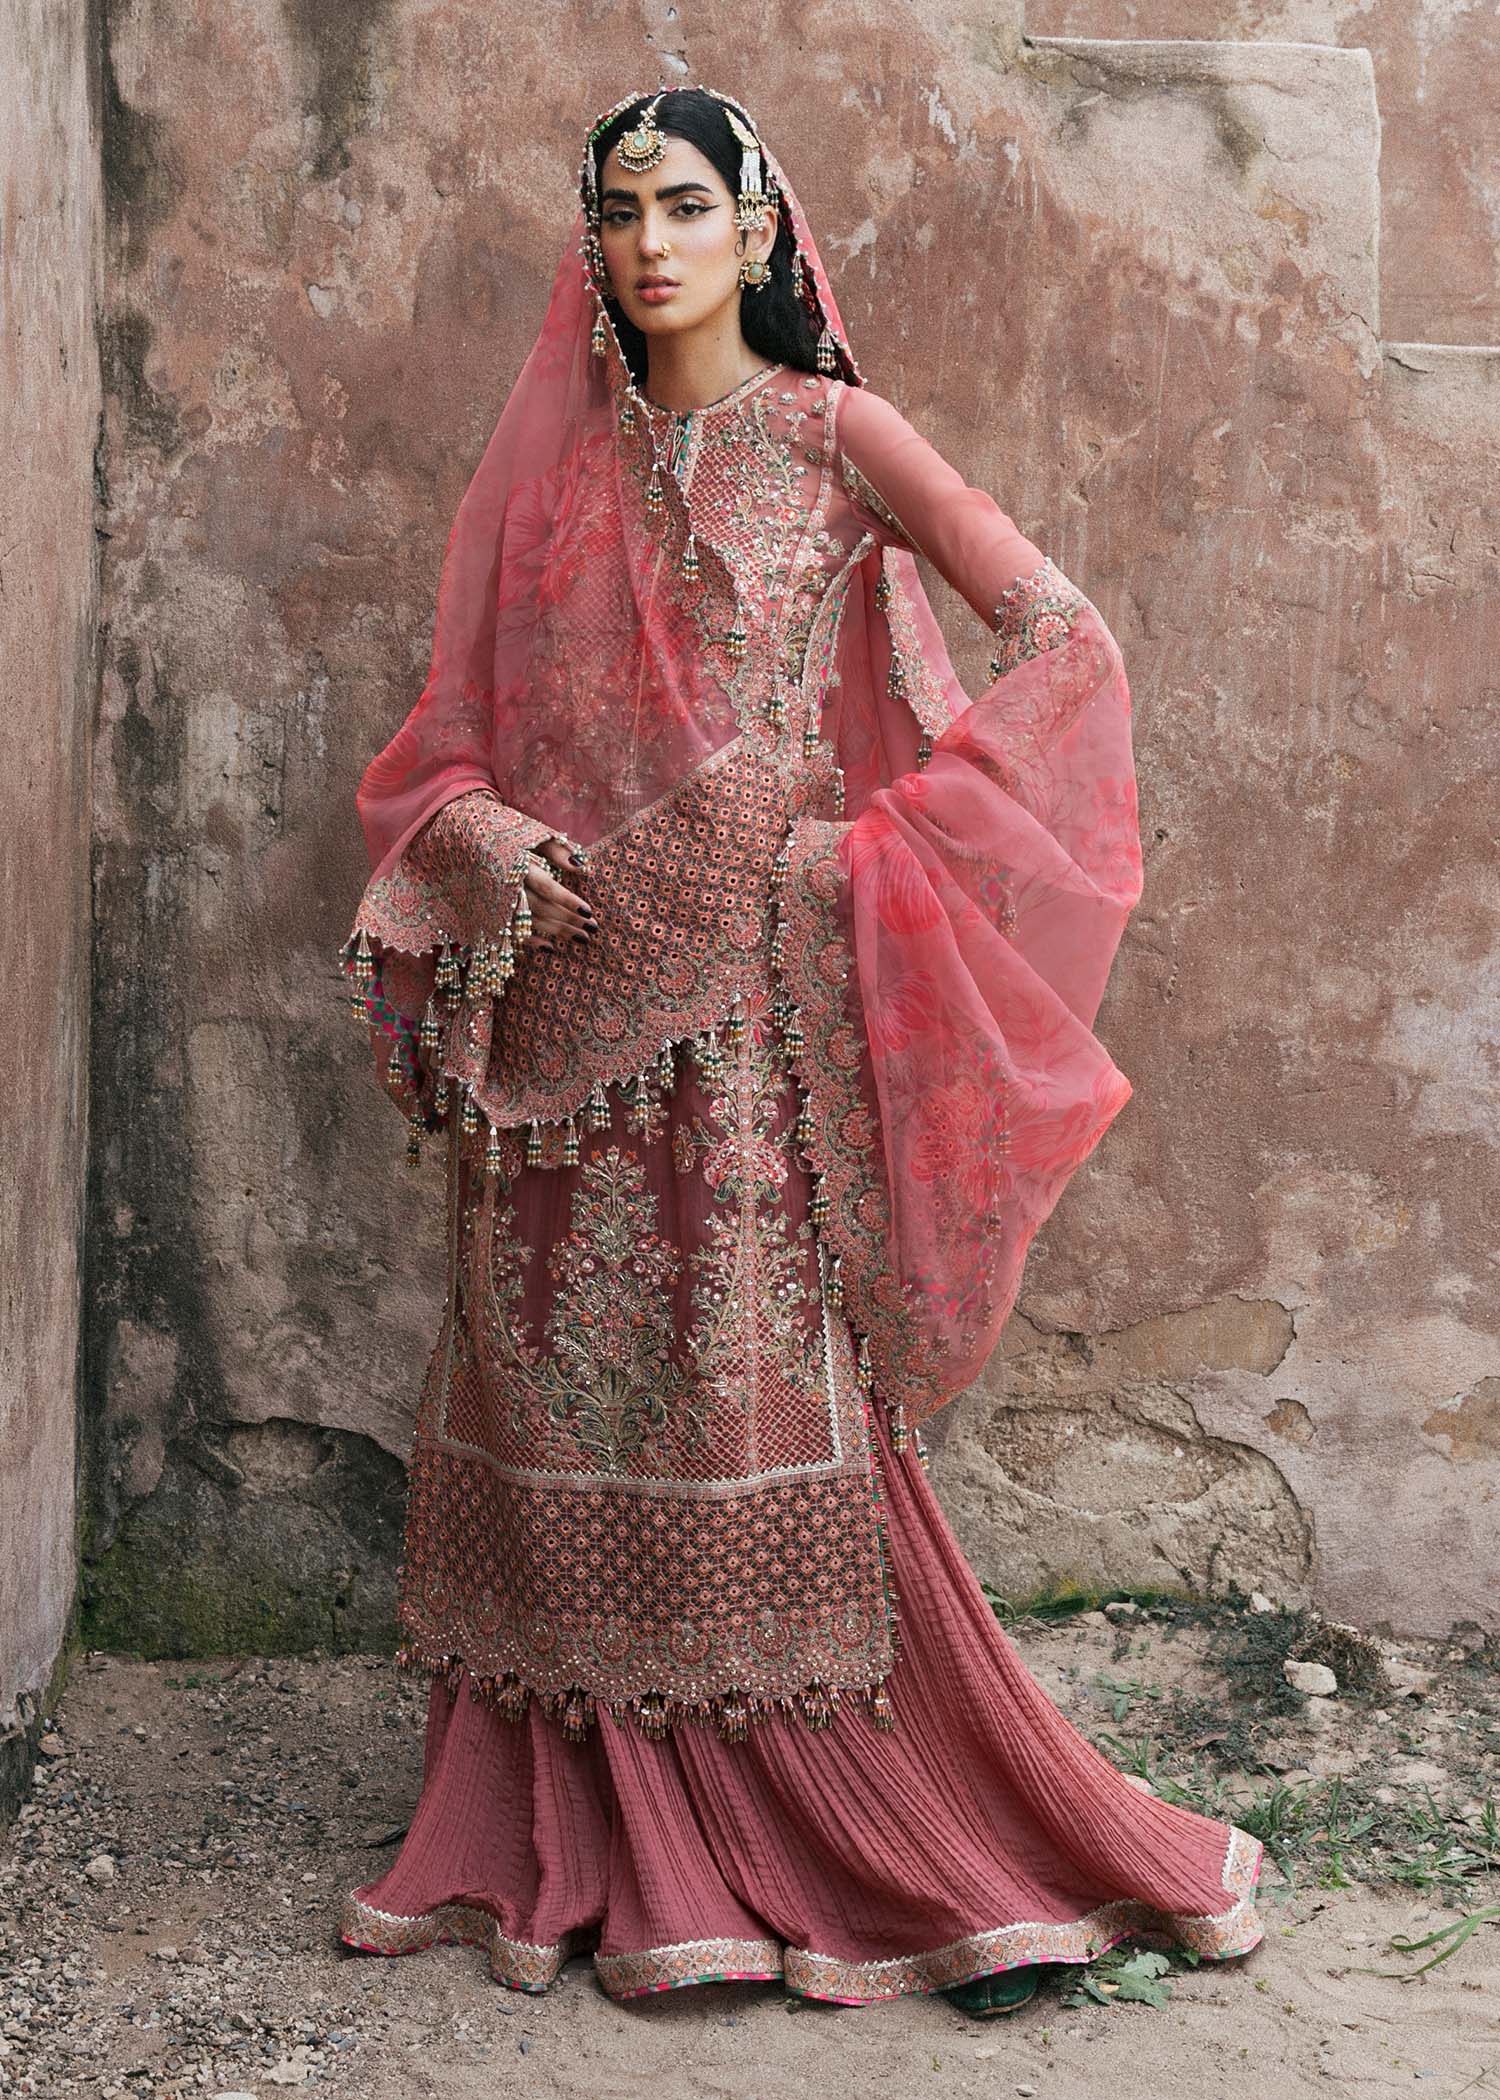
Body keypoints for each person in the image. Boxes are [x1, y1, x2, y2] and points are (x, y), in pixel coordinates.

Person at [336, 85, 1263, 2016]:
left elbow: (1066, 643)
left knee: (749, 1404)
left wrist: (864, 853)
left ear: (759, 231)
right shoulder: (550, 471)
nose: (650, 244)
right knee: (557, 1406)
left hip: (747, 1025)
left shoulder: (839, 435)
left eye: (686, 206)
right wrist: (477, 835)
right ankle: (582, 1826)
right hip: (555, 1022)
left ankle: (853, 1827)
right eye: (619, 213)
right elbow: (447, 739)